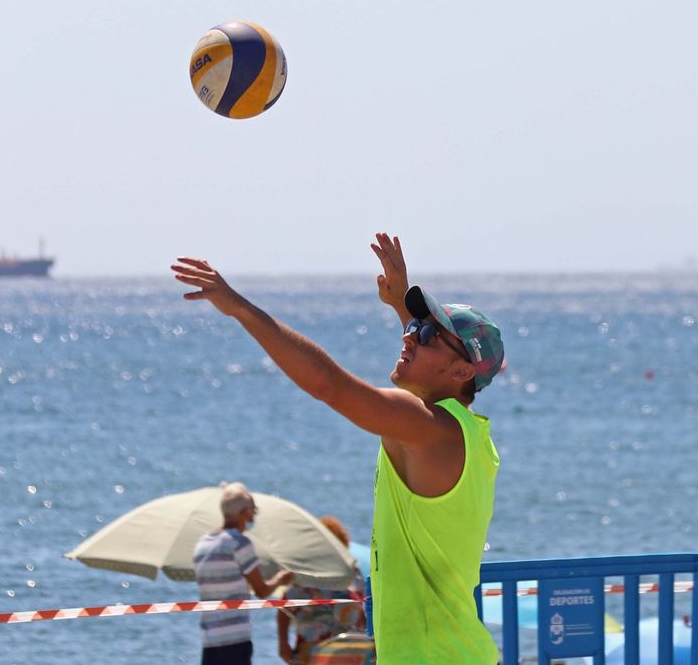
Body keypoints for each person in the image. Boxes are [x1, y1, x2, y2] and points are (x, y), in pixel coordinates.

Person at [173, 233, 505, 665]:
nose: (408, 338)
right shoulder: (471, 435)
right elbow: (436, 370)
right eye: (412, 329)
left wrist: (240, 308)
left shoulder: (425, 427)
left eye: (424, 334)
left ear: (462, 369)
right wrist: (404, 307)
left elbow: (328, 384)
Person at [193, 482, 294, 665]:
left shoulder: (203, 544)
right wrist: (280, 580)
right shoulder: (239, 543)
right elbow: (262, 590)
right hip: (235, 639)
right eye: (252, 509)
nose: (254, 514)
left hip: (210, 640)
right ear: (243, 512)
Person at [277, 515, 366, 664]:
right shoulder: (305, 574)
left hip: (347, 652)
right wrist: (283, 643)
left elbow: (364, 607)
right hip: (310, 652)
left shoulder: (352, 572)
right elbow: (284, 608)